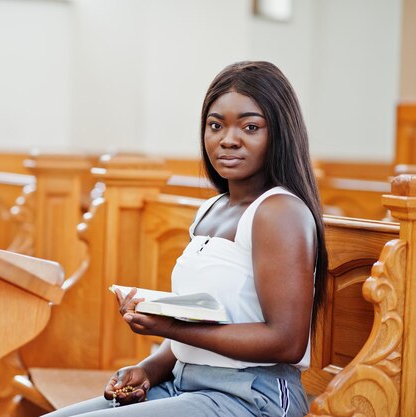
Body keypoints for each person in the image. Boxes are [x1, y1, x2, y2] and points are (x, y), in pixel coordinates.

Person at [43, 60, 328, 417]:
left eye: (250, 127)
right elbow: (200, 322)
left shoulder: (279, 212)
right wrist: (149, 368)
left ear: (279, 134)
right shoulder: (211, 209)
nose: (228, 140)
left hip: (251, 397)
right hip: (183, 383)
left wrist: (170, 327)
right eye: (215, 125)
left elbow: (286, 341)